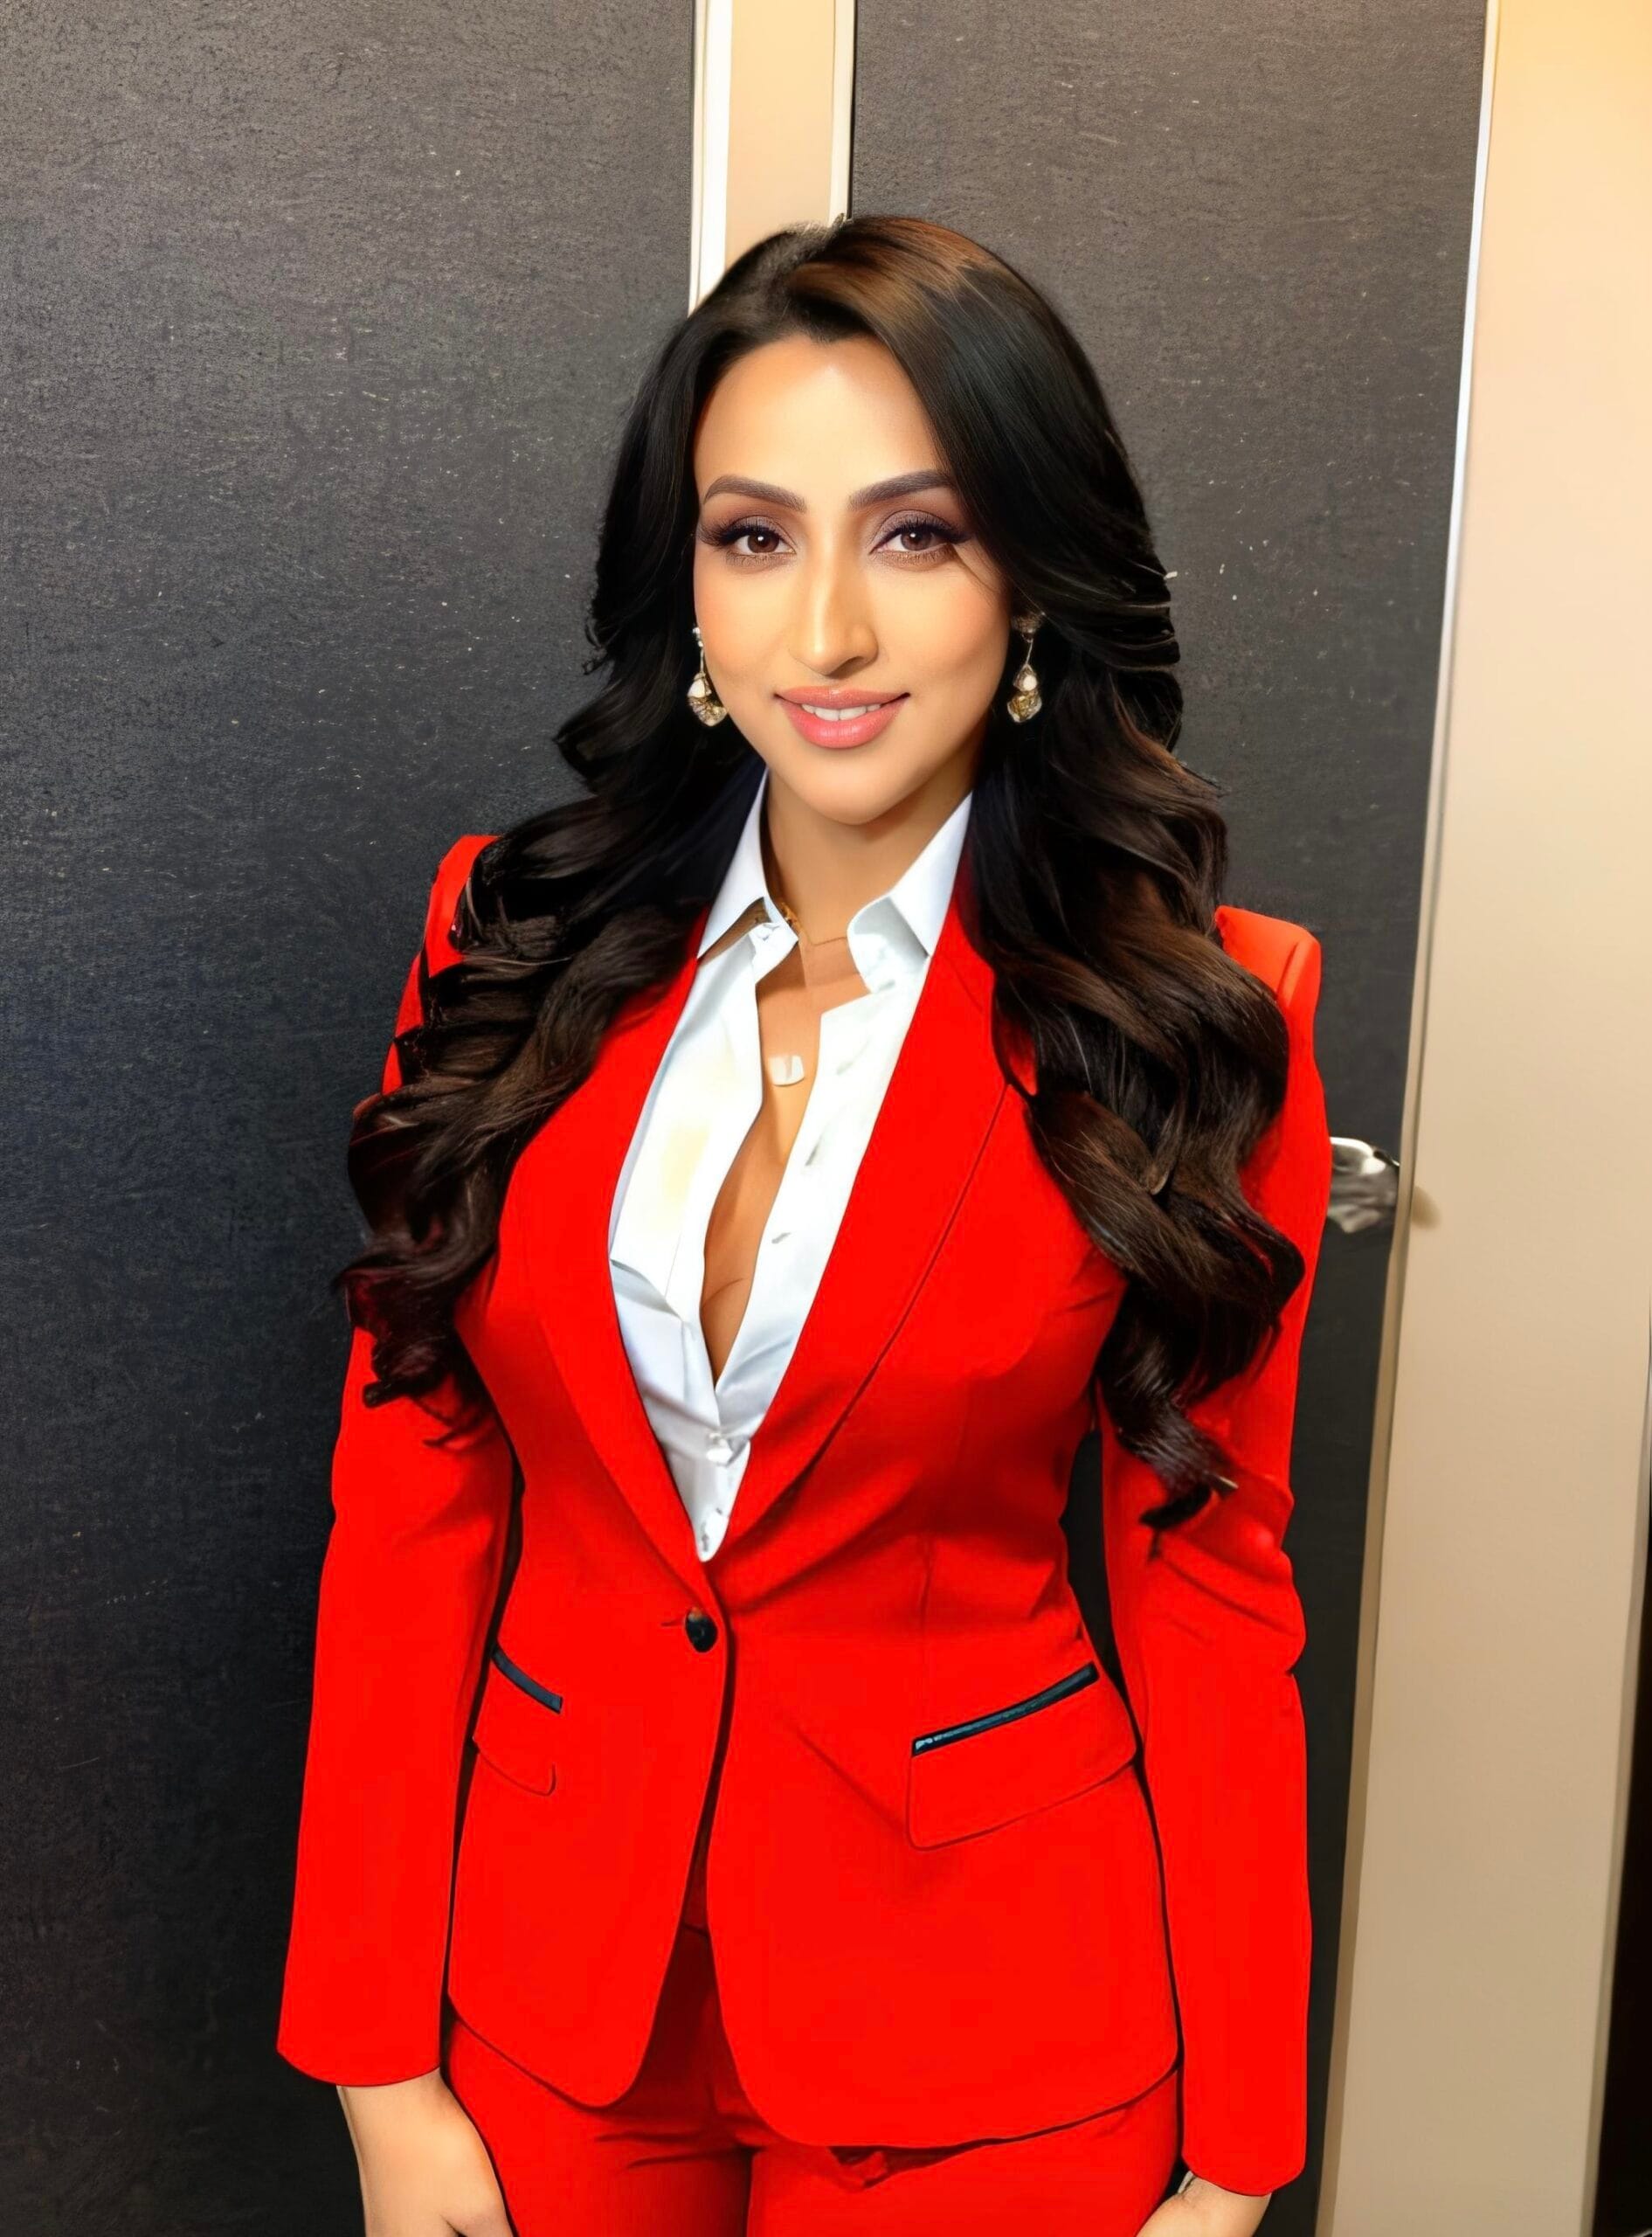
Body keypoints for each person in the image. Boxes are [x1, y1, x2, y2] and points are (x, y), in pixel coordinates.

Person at [275, 215, 1332, 2237]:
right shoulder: (511, 933)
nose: (825, 630)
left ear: (1031, 582)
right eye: (755, 535)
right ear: (682, 584)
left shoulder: (1207, 1009)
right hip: (552, 2011)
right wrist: (375, 2065)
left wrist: (1233, 2161)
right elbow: (410, 1488)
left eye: (916, 535)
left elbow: (1211, 1585)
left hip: (997, 2039)